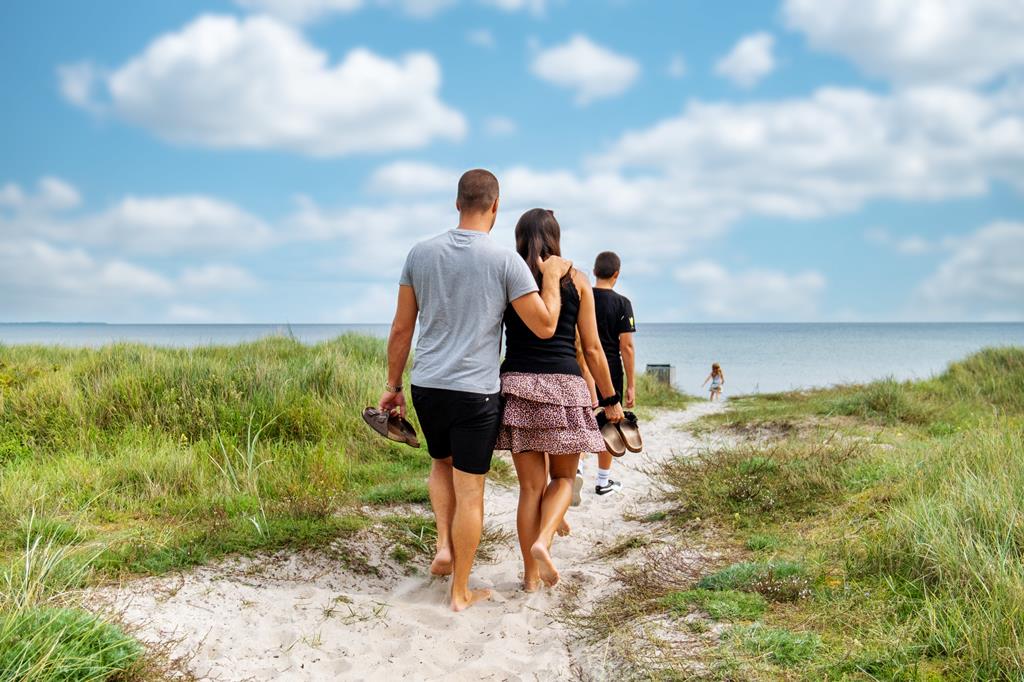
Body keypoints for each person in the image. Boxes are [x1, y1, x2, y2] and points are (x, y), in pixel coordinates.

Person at [378, 170, 573, 612]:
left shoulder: (419, 254)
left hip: (427, 384)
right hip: (476, 394)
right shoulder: (503, 261)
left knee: (439, 463)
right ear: (496, 206)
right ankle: (460, 590)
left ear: (457, 202)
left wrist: (392, 387)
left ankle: (444, 544)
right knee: (471, 491)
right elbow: (544, 325)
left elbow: (401, 327)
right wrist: (550, 278)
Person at [495, 209, 625, 591]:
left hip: (518, 386)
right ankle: (543, 540)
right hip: (566, 388)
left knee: (530, 489)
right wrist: (610, 398)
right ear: (556, 238)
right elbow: (594, 349)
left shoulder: (509, 280)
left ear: (520, 239)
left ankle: (530, 579)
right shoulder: (578, 282)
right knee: (565, 478)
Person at [586, 251, 637, 496]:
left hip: (582, 364)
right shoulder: (622, 303)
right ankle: (603, 481)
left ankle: (575, 469)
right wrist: (631, 385)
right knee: (608, 422)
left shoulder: (581, 296)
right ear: (616, 274)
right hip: (610, 368)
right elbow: (626, 346)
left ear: (594, 271)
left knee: (580, 416)